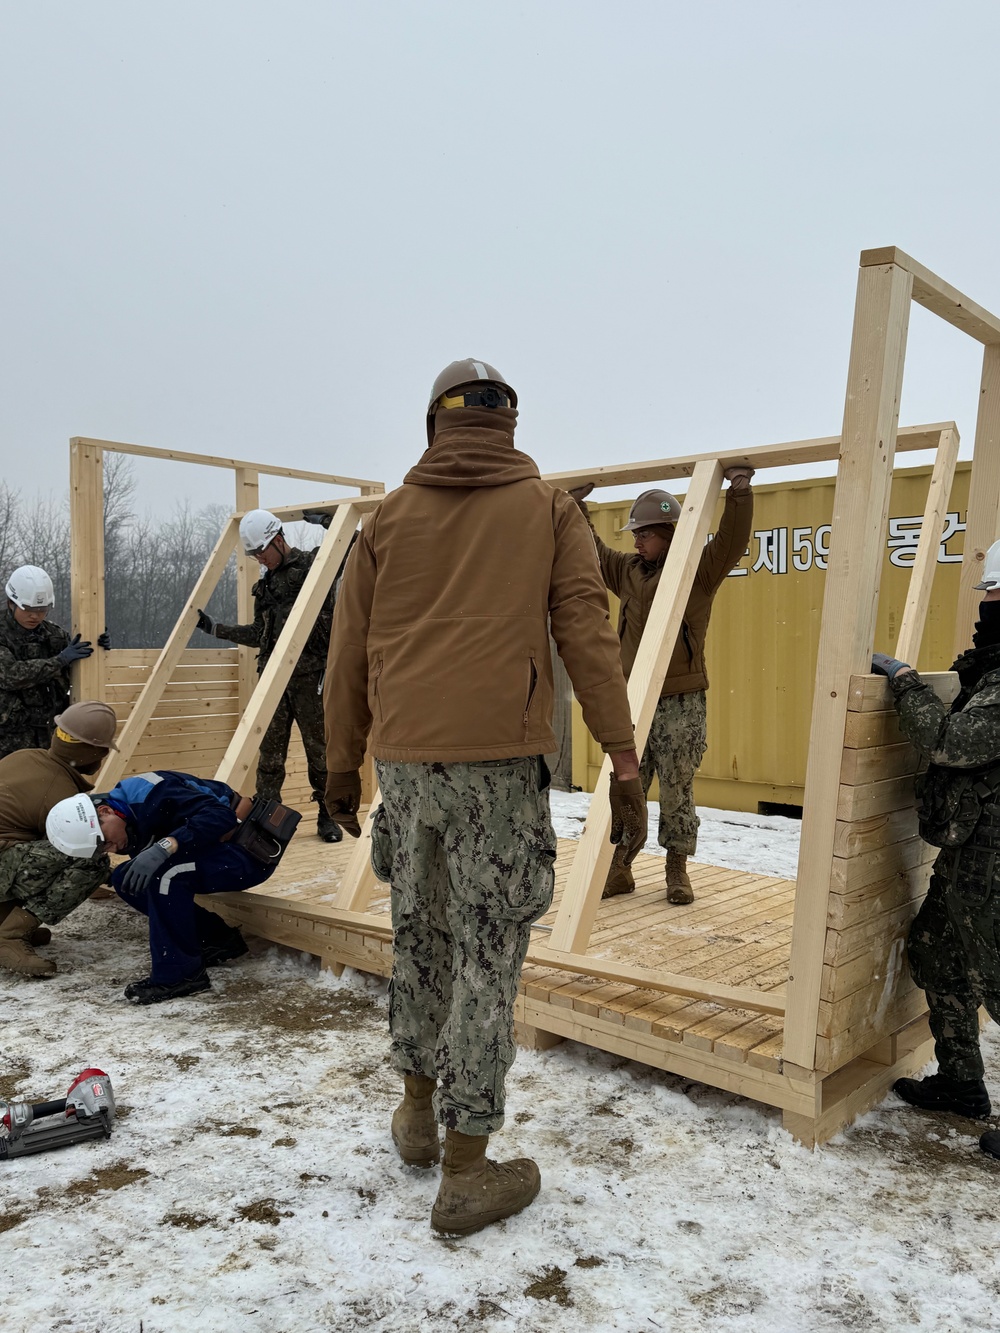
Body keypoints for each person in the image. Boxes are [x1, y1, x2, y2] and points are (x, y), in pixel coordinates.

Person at [324, 357, 646, 1236]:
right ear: (508, 422)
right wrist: (623, 758)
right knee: (486, 955)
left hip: (406, 767)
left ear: (435, 424)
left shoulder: (387, 519)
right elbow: (587, 630)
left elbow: (346, 651)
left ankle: (417, 1114)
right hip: (499, 771)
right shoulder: (547, 511)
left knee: (420, 934)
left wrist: (341, 768)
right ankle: (466, 1169)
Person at [568, 471, 754, 903]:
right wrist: (578, 508)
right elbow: (590, 552)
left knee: (676, 787)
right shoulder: (628, 572)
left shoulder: (698, 572)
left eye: (645, 534)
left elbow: (730, 541)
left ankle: (676, 870)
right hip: (633, 701)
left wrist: (739, 493)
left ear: (670, 533)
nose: (636, 542)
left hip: (681, 702)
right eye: (635, 534)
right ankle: (620, 868)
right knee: (625, 785)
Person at [878, 538, 1000, 1161]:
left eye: (996, 593)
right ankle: (961, 1084)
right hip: (970, 855)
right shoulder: (992, 669)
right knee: (939, 957)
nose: (988, 603)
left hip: (996, 865)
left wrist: (905, 684)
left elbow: (953, 741)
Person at [46, 768, 278, 1004]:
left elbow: (221, 816)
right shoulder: (122, 811)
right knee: (125, 879)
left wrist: (166, 845)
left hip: (249, 850)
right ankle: (217, 940)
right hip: (217, 849)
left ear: (104, 811)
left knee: (164, 875)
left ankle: (180, 976)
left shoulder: (153, 793)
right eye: (103, 849)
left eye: (105, 841)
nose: (112, 849)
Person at [196, 510, 342, 842]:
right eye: (254, 554)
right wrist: (216, 629)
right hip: (274, 679)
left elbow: (353, 543)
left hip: (310, 678)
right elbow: (260, 635)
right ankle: (269, 822)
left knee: (319, 752)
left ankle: (328, 816)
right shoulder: (266, 586)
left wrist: (328, 521)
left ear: (278, 540)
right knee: (270, 757)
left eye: (263, 551)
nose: (260, 558)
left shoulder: (313, 567)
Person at [0, 701, 119, 977]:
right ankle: (10, 936)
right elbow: (72, 855)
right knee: (91, 860)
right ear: (94, 752)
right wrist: (112, 876)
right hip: (3, 863)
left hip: (6, 859)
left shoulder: (27, 756)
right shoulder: (60, 795)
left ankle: (4, 921)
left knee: (29, 854)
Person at [0, 565, 106, 761]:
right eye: (29, 609)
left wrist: (99, 643)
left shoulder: (54, 635)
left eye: (42, 610)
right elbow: (10, 675)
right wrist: (59, 661)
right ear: (11, 603)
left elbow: (80, 658)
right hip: (9, 740)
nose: (35, 616)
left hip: (50, 736)